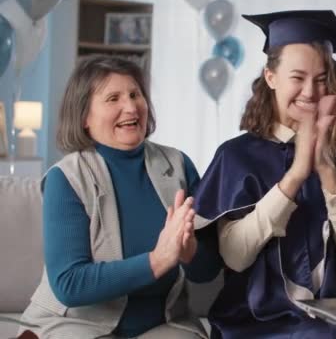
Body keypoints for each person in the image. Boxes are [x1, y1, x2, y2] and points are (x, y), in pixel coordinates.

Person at [192, 10, 336, 339]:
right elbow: (235, 258)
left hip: (333, 317)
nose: (310, 91)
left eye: (322, 79)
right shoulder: (236, 156)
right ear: (271, 76)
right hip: (254, 322)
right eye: (298, 77)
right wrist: (295, 176)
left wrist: (327, 173)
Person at [18, 55, 223, 339]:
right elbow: (69, 283)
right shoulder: (66, 178)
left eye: (135, 94)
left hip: (162, 322)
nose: (131, 107)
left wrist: (190, 253)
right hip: (75, 323)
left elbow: (208, 270)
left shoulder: (178, 166)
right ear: (84, 117)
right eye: (113, 98)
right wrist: (157, 260)